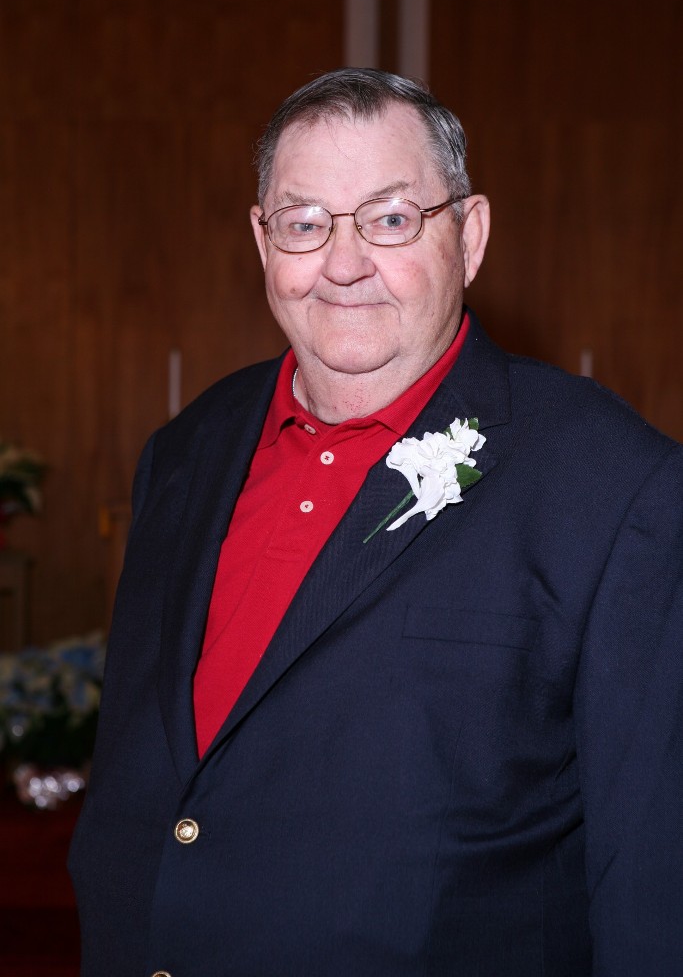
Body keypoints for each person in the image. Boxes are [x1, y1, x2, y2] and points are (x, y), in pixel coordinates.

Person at [68, 68, 683, 977]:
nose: (343, 263)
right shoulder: (186, 450)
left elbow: (652, 881)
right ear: (262, 240)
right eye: (304, 222)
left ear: (468, 236)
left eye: (390, 219)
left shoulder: (611, 482)